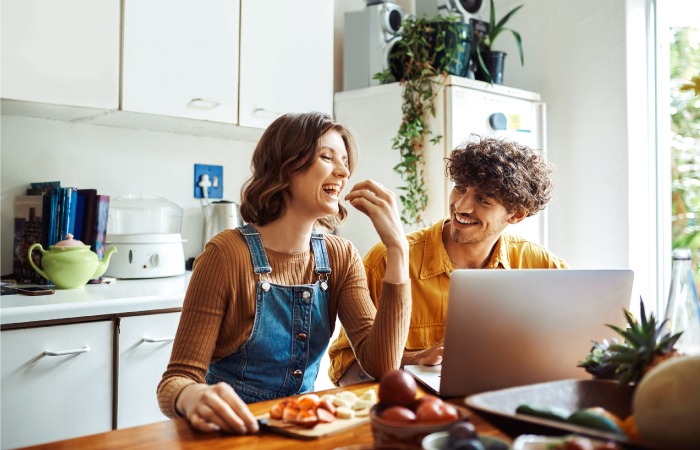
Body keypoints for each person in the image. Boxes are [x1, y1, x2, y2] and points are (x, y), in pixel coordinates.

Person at [157, 112, 411, 434]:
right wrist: (191, 395)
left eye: (345, 162)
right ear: (286, 166)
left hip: (305, 428)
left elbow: (382, 366)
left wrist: (398, 249)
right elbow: (175, 380)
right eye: (326, 157)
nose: (344, 172)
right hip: (231, 434)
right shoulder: (226, 255)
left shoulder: (341, 256)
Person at [328, 136, 569, 386]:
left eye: (484, 200)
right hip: (415, 415)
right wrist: (414, 359)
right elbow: (345, 372)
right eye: (460, 187)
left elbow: (584, 345)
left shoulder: (541, 265)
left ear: (517, 215)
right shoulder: (386, 260)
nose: (461, 207)